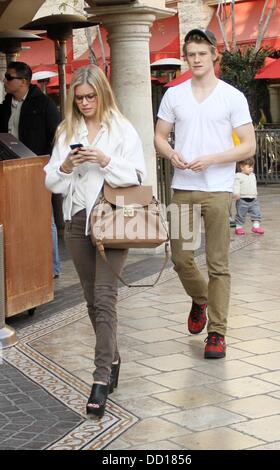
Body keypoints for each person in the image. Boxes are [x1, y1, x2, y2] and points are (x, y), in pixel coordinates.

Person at [44, 64, 146, 418]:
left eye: (91, 96)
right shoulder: (66, 130)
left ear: (102, 93)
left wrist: (104, 159)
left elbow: (137, 176)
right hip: (76, 221)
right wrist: (68, 166)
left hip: (115, 219)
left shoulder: (122, 129)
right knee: (91, 300)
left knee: (105, 297)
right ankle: (114, 356)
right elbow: (51, 183)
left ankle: (100, 378)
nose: (85, 103)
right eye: (80, 98)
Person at [154, 28, 256, 359]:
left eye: (202, 53)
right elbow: (159, 136)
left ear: (214, 55)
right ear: (187, 57)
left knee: (218, 264)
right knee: (182, 258)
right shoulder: (174, 95)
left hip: (217, 191)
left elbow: (249, 145)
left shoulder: (232, 97)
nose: (196, 59)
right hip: (182, 189)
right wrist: (171, 155)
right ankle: (200, 300)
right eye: (191, 54)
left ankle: (217, 332)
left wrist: (213, 158)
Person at [0, 61, 61, 278]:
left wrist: (49, 165)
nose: (4, 81)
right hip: (9, 171)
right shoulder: (5, 105)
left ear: (24, 81)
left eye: (9, 77)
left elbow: (57, 137)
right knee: (16, 218)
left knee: (45, 218)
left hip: (38, 169)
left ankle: (52, 267)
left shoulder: (44, 104)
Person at [233, 157, 264, 235]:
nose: (251, 169)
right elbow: (236, 185)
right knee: (241, 215)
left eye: (252, 167)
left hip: (253, 199)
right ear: (242, 167)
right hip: (242, 199)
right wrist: (236, 193)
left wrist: (255, 192)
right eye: (249, 167)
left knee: (256, 213)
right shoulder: (238, 176)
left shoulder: (252, 175)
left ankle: (256, 226)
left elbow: (253, 184)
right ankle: (238, 227)